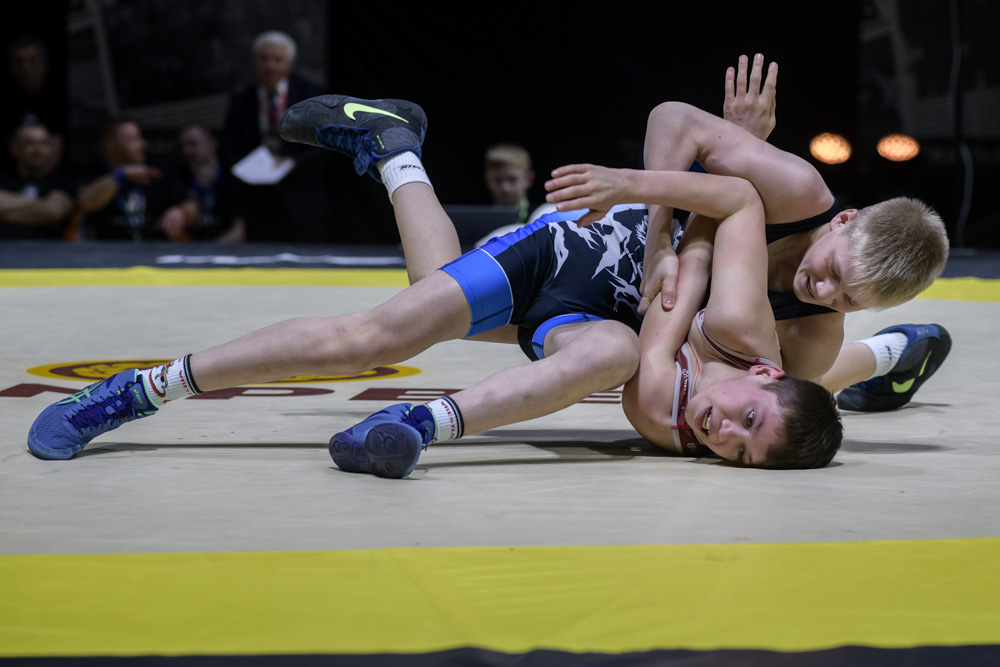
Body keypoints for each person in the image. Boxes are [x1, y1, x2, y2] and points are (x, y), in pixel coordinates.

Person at [26, 95, 842, 477]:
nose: (720, 429)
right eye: (746, 419)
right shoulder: (757, 321)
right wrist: (667, 218)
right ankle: (140, 389)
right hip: (572, 252)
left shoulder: (680, 418)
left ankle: (420, 420)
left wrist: (686, 254)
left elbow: (674, 306)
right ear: (767, 373)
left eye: (736, 451)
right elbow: (728, 196)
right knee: (378, 336)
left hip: (592, 316)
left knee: (612, 347)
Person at [640, 53, 951, 413]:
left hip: (709, 327)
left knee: (794, 387)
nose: (824, 293)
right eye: (834, 271)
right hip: (669, 270)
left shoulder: (816, 335)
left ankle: (892, 352)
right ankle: (895, 350)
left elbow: (763, 405)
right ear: (843, 220)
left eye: (851, 302)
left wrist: (739, 148)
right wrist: (658, 244)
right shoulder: (797, 192)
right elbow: (672, 118)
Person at [220, 30, 348, 243]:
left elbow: (330, 142)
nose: (270, 66)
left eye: (277, 60)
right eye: (264, 59)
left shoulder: (313, 97)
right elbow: (228, 148)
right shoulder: (241, 100)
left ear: (290, 64)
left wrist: (294, 163)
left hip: (303, 207)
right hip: (257, 207)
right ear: (254, 62)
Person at [76, 117, 196, 241]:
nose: (142, 145)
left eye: (140, 138)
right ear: (110, 145)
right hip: (109, 249)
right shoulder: (94, 172)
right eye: (133, 140)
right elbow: (85, 203)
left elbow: (193, 207)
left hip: (155, 248)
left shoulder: (156, 170)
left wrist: (181, 212)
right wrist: (121, 175)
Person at [0, 34, 69, 173]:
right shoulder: (5, 102)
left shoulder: (57, 100)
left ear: (44, 66)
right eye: (19, 62)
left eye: (32, 61)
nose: (25, 69)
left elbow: (55, 151)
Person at [0, 121, 74, 239]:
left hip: (49, 249)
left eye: (43, 143)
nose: (38, 150)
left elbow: (54, 212)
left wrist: (4, 213)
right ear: (14, 148)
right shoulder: (3, 178)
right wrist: (41, 204)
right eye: (30, 143)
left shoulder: (61, 180)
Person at [175, 123, 243, 242]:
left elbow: (240, 230)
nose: (187, 151)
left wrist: (210, 250)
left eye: (193, 144)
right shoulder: (179, 179)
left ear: (211, 144)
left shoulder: (232, 179)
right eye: (183, 146)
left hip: (223, 249)